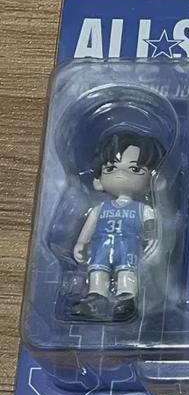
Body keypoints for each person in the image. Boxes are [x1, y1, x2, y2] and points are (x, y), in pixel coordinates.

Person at [70, 130, 163, 322]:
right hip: (101, 247)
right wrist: (81, 243)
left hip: (129, 247)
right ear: (98, 181)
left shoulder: (143, 209)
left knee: (127, 274)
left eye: (135, 169)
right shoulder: (99, 209)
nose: (121, 174)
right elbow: (88, 229)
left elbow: (151, 230)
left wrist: (154, 244)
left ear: (154, 181)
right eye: (111, 168)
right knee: (97, 273)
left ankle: (126, 300)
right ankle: (95, 298)